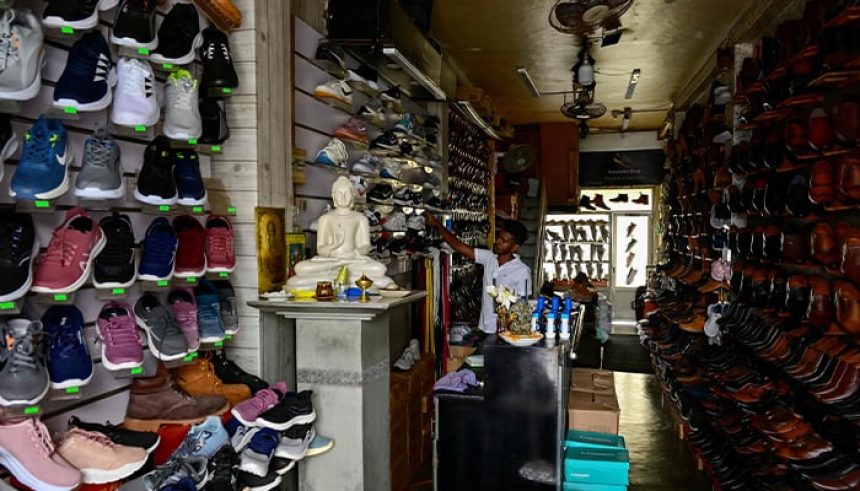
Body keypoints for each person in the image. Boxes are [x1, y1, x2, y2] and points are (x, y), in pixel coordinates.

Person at [424, 213, 532, 335]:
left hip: (507, 332)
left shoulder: (522, 271)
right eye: (499, 238)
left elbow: (523, 306)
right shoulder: (489, 258)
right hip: (485, 327)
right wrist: (437, 224)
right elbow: (458, 246)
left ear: (514, 247)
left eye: (504, 241)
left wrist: (504, 299)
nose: (498, 242)